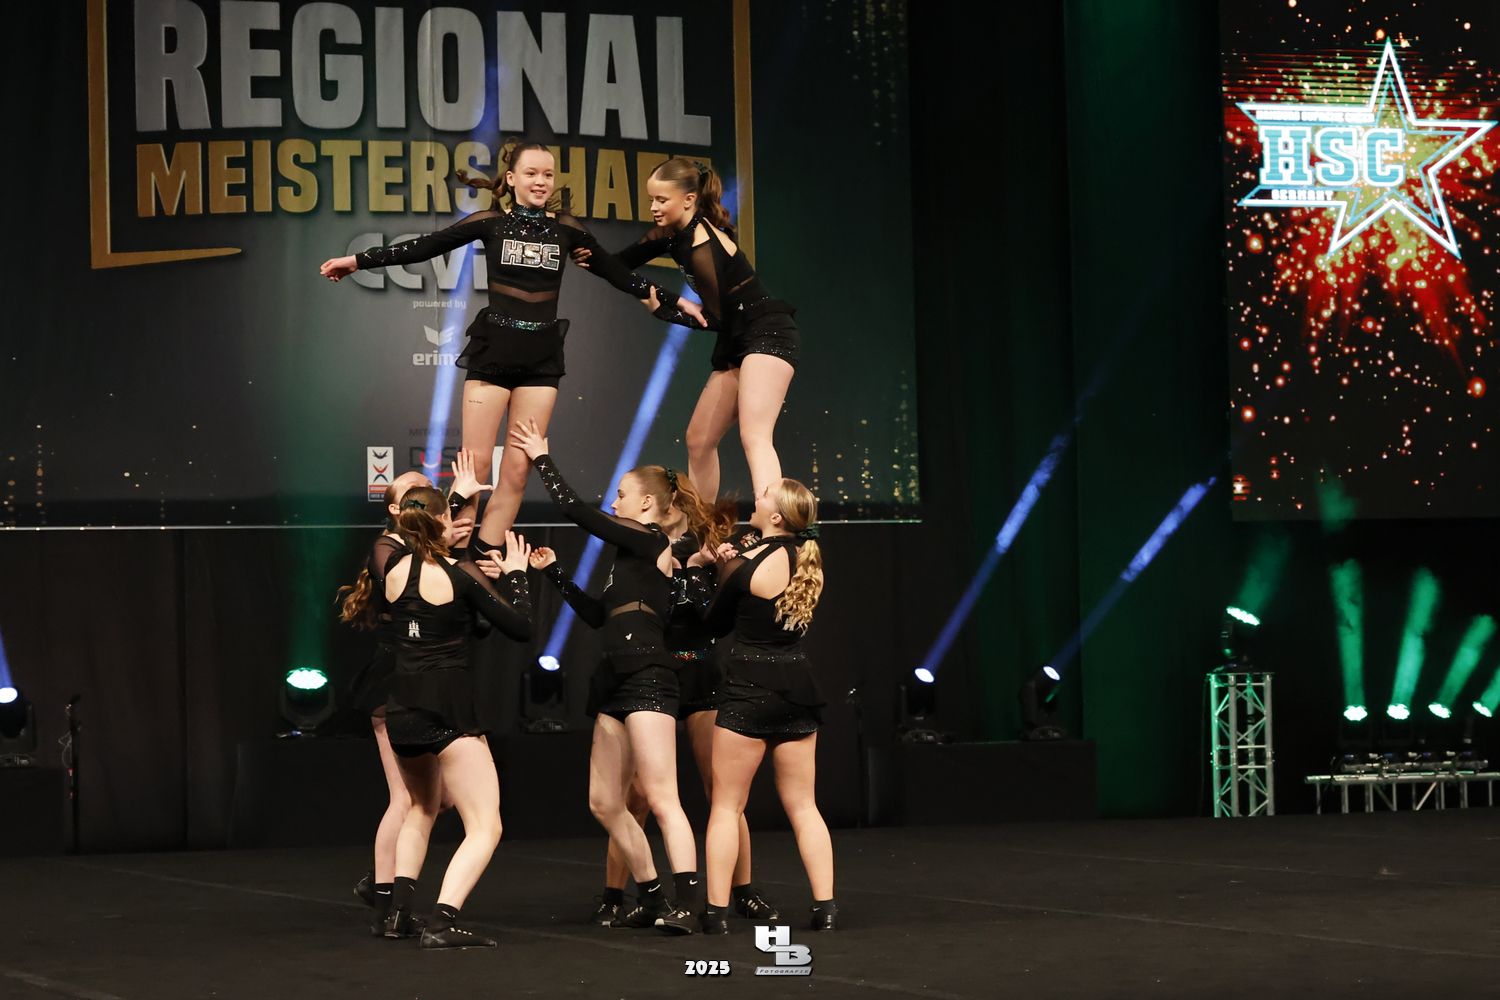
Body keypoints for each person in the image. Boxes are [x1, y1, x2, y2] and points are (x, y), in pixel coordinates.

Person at [319, 141, 705, 553]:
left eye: (548, 175)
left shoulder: (567, 228)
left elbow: (614, 270)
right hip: (494, 355)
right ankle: (453, 558)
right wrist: (357, 261)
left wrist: (676, 299)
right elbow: (425, 246)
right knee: (476, 470)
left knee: (518, 472)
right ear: (511, 178)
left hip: (541, 361)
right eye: (531, 173)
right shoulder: (491, 222)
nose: (541, 181)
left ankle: (482, 560)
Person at [511, 420, 702, 934]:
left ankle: (688, 904)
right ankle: (653, 895)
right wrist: (554, 574)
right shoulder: (629, 556)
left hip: (649, 675)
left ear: (647, 503)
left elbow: (576, 511)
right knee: (603, 802)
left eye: (621, 495)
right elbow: (599, 616)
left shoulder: (649, 539)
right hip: (615, 679)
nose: (614, 502)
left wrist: (542, 458)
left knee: (661, 797)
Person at [592, 505, 779, 927]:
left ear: (669, 505)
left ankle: (742, 891)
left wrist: (698, 567)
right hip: (651, 671)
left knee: (722, 791)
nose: (618, 507)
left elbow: (713, 619)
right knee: (634, 797)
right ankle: (614, 895)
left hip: (697, 672)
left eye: (625, 497)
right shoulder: (639, 547)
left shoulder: (705, 550)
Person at [575, 157, 798, 502]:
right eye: (651, 199)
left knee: (755, 435)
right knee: (698, 440)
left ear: (689, 199)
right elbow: (619, 267)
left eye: (661, 200)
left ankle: (774, 523)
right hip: (738, 337)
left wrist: (665, 311)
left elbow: (715, 319)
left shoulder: (701, 246)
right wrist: (588, 258)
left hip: (767, 332)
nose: (653, 207)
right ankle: (704, 527)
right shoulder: (671, 235)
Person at [377, 487, 534, 949]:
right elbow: (521, 627)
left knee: (422, 808)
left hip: (402, 711)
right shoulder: (458, 575)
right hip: (448, 710)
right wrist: (517, 576)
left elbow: (459, 620)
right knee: (486, 825)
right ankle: (442, 922)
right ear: (444, 520)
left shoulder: (392, 569)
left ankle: (397, 916)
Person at [340, 456, 489, 924]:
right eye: (413, 495)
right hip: (394, 677)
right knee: (407, 800)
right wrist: (455, 507)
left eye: (429, 491)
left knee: (439, 800)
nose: (424, 498)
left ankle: (382, 884)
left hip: (420, 677)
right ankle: (386, 900)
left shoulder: (423, 550)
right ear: (395, 510)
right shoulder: (387, 548)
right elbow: (407, 577)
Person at [699, 479, 834, 933]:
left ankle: (716, 914)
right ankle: (826, 908)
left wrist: (710, 571)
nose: (755, 499)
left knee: (726, 808)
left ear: (775, 517)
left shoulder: (743, 563)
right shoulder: (809, 562)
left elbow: (712, 625)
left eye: (763, 497)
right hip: (798, 690)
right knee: (804, 807)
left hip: (748, 690)